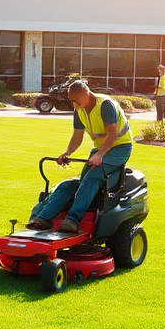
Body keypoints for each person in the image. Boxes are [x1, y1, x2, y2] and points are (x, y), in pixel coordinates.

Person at [27, 80, 134, 233]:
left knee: (92, 177)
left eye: (76, 101)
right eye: (72, 102)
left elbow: (113, 134)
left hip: (120, 148)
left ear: (86, 92)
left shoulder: (105, 105)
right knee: (70, 184)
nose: (74, 105)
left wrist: (100, 155)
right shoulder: (79, 110)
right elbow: (78, 135)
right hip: (100, 149)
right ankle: (42, 218)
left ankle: (72, 220)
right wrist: (67, 153)